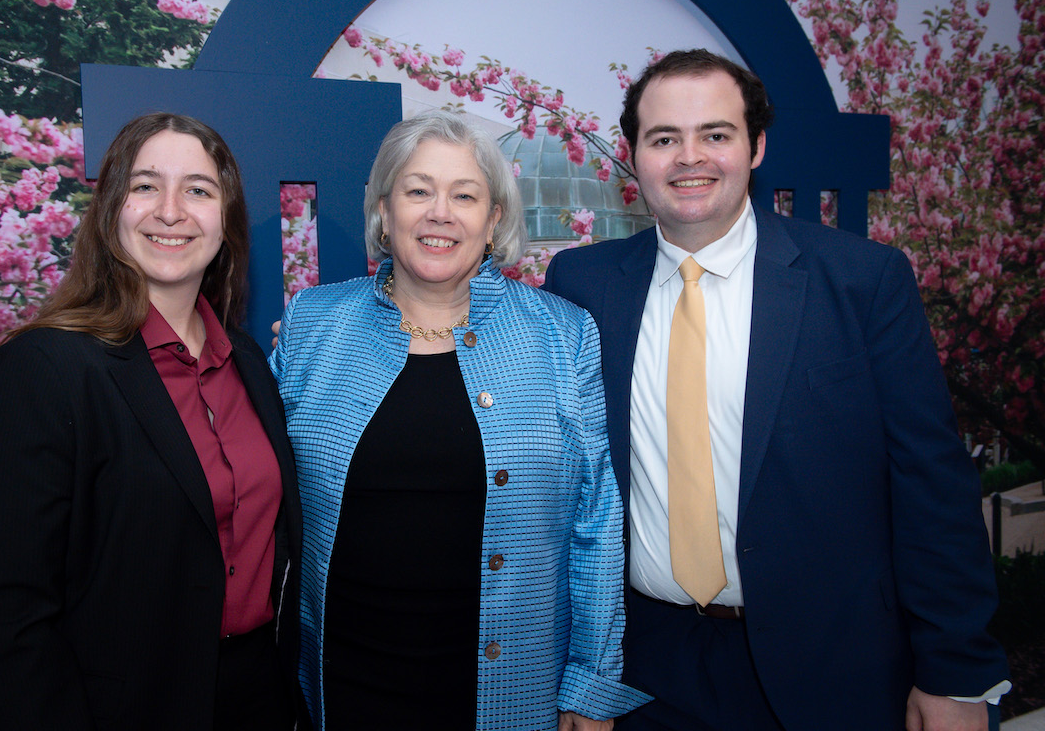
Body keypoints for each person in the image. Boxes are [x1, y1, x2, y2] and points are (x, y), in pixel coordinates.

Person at [544, 49, 1009, 731]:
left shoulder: (863, 281)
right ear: (635, 156)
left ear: (756, 147)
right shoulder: (581, 286)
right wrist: (587, 675)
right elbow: (569, 493)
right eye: (664, 138)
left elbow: (932, 488)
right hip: (647, 673)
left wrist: (958, 674)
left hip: (834, 671)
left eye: (716, 134)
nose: (688, 157)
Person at [269, 109, 647, 731]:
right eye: (417, 190)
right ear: (385, 211)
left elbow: (596, 521)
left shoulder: (562, 334)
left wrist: (591, 683)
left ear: (494, 218)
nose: (439, 212)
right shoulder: (313, 325)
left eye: (465, 195)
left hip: (512, 687)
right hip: (347, 685)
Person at [0, 113, 303, 731]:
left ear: (225, 221)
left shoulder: (248, 363)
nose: (170, 211)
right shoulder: (41, 370)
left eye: (198, 190)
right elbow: (9, 618)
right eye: (146, 186)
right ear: (112, 207)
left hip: (256, 696)